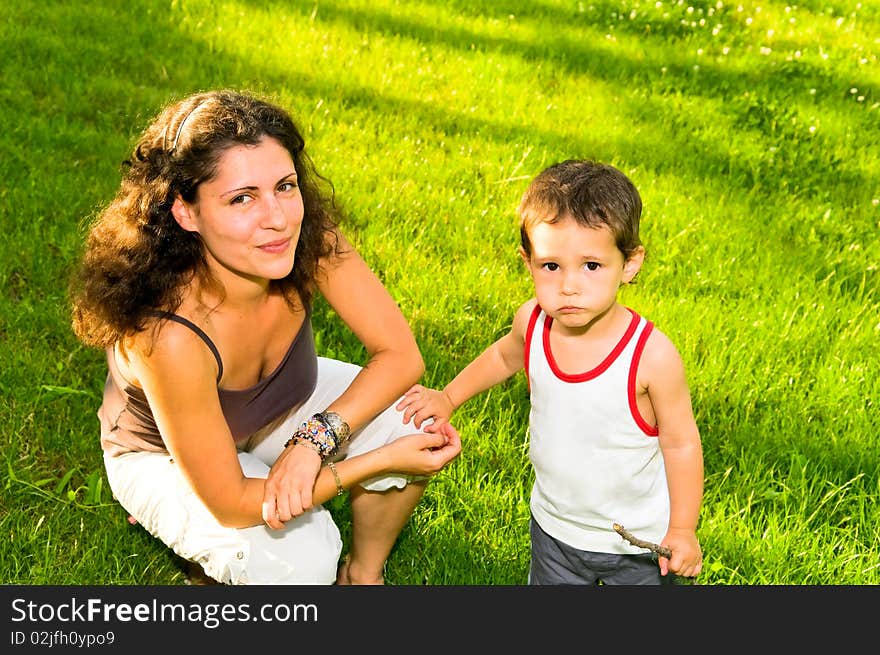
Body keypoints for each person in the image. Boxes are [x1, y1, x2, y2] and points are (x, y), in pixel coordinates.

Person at [69, 89, 461, 585]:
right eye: (241, 198)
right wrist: (369, 462)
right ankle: (204, 552)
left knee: (413, 422)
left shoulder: (307, 239)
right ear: (186, 213)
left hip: (277, 414)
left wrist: (312, 442)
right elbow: (233, 503)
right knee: (301, 563)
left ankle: (363, 577)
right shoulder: (167, 332)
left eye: (285, 186)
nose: (277, 217)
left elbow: (401, 356)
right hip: (165, 458)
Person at [397, 160, 703, 584]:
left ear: (629, 264)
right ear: (528, 262)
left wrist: (683, 530)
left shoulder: (650, 357)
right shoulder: (534, 322)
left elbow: (682, 443)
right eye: (551, 266)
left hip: (636, 546)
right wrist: (448, 398)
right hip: (554, 531)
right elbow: (503, 357)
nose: (568, 286)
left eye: (591, 266)